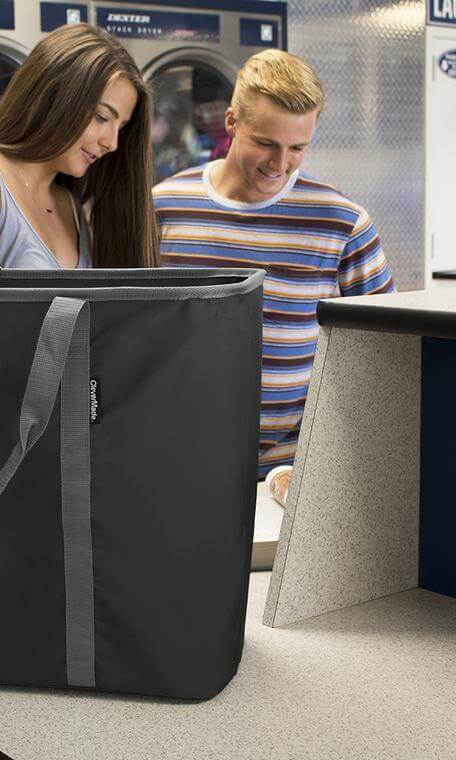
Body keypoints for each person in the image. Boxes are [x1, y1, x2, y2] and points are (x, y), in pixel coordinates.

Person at [153, 49, 395, 480]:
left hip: (293, 466)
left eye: (297, 148)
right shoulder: (164, 207)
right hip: (174, 455)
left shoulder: (343, 221)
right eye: (265, 143)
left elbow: (385, 353)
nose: (279, 165)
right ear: (232, 123)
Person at [0, 24, 159, 269]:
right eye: (102, 117)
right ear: (53, 96)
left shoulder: (70, 206)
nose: (112, 143)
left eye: (122, 127)